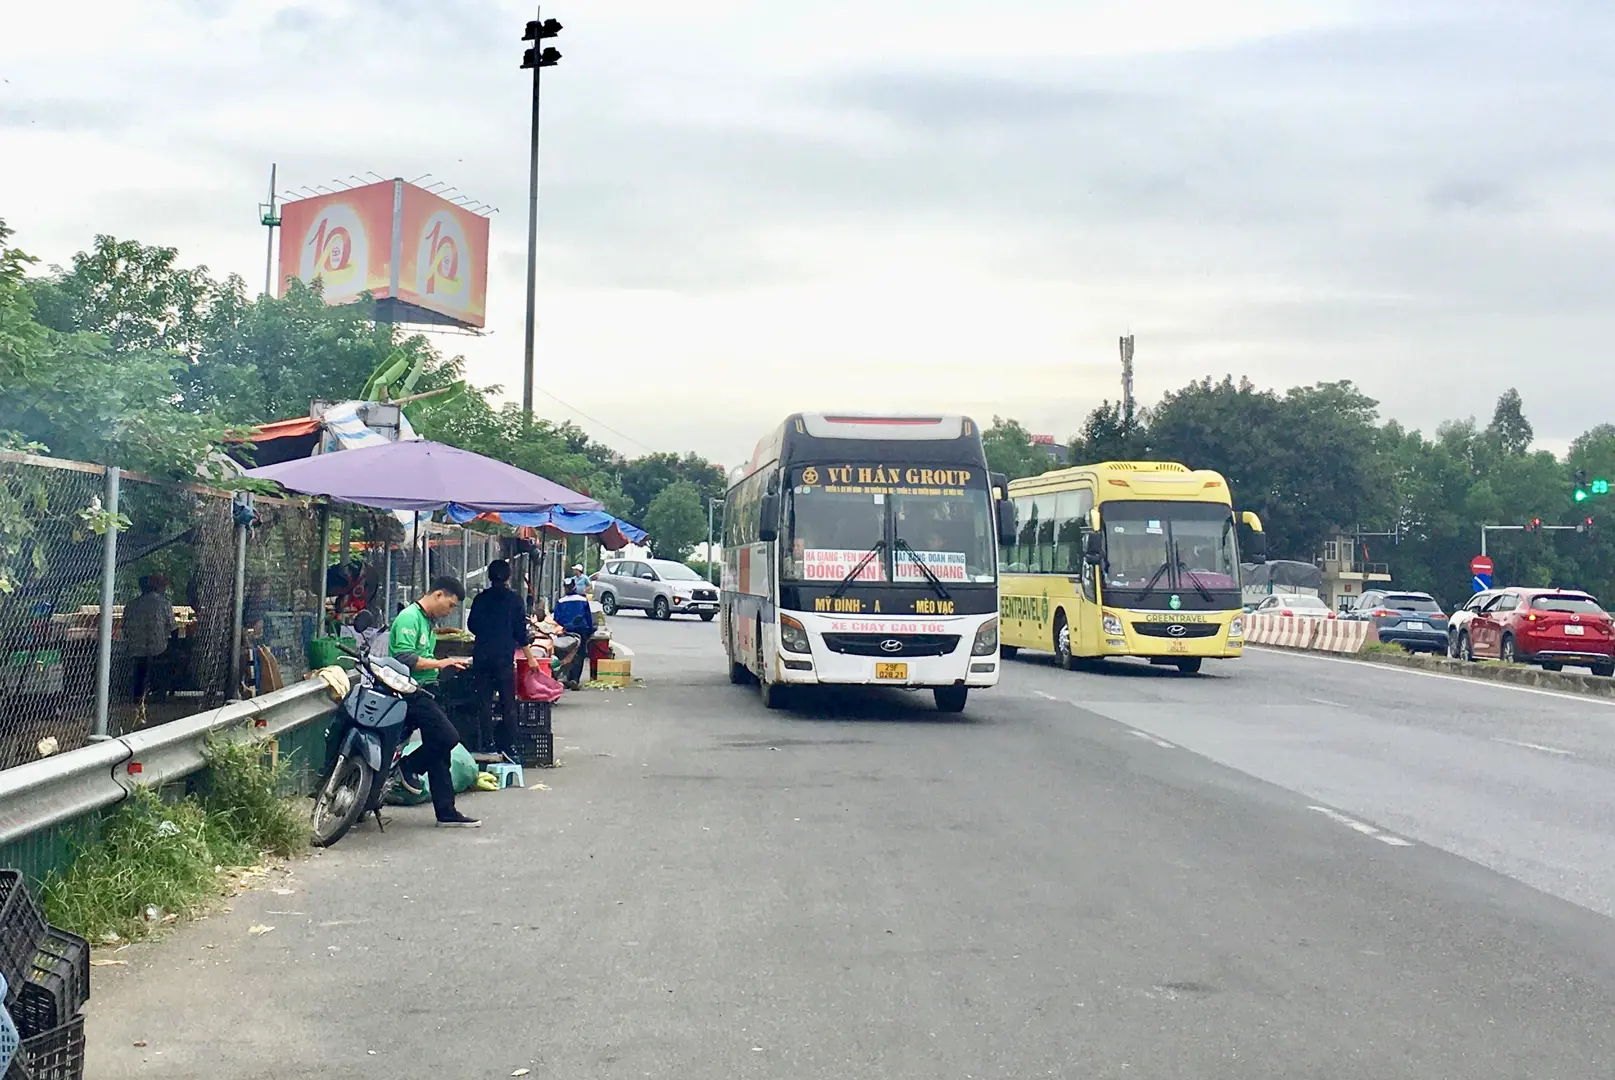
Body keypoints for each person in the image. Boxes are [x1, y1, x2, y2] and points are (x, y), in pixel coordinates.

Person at [388, 576, 481, 828]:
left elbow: (424, 657)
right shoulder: (409, 618)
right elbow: (405, 658)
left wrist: (445, 666)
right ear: (438, 594)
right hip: (410, 690)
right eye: (450, 605)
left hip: (428, 687)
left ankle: (446, 810)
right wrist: (441, 663)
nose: (450, 611)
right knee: (447, 737)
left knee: (439, 750)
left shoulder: (427, 622)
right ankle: (408, 768)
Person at [467, 560, 538, 759]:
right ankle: (509, 747)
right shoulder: (515, 600)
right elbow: (520, 632)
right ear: (508, 576)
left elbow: (472, 625)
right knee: (508, 703)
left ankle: (487, 744)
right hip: (504, 658)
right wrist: (530, 657)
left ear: (489, 576)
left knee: (484, 702)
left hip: (482, 655)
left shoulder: (480, 599)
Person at [124, 573, 176, 702]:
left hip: (137, 647)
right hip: (159, 647)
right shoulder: (164, 603)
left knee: (139, 669)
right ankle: (160, 692)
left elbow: (125, 628)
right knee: (164, 664)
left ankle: (138, 696)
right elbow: (173, 627)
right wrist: (173, 645)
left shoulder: (131, 605)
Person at [552, 580, 596, 688]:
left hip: (565, 631)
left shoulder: (561, 601)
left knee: (563, 653)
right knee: (579, 654)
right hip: (581, 630)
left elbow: (556, 619)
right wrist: (590, 630)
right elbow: (588, 618)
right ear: (575, 587)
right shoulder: (583, 600)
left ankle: (565, 677)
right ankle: (575, 679)